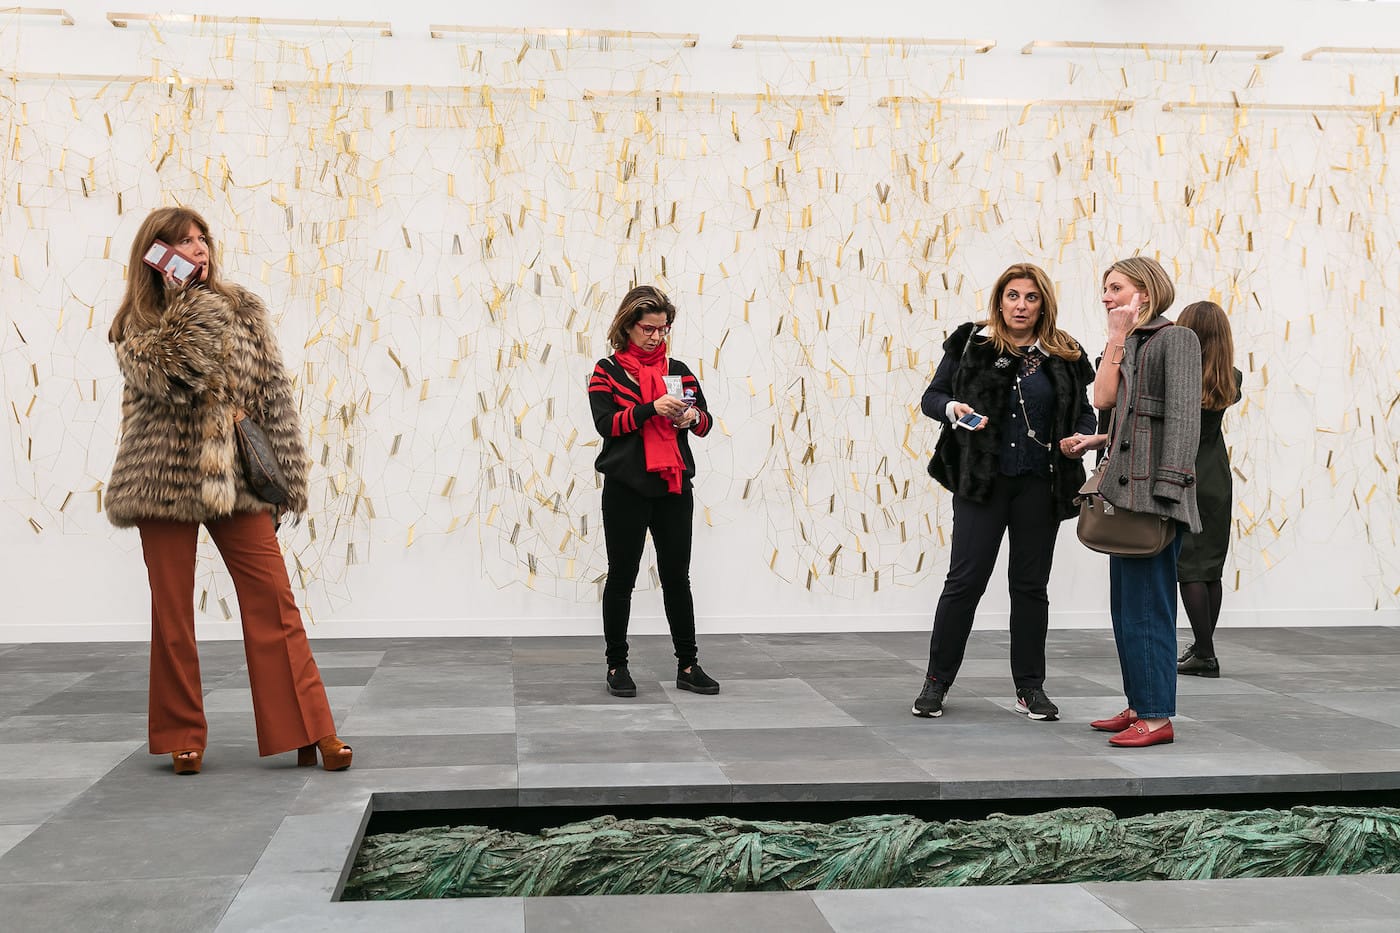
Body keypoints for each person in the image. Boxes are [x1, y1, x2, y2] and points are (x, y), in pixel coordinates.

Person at [106, 206, 351, 775]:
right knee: (173, 613)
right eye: (183, 242)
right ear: (156, 254)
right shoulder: (136, 322)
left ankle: (314, 728)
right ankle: (181, 734)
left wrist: (286, 477)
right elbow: (177, 372)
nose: (198, 249)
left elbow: (271, 394)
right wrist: (185, 300)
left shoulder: (242, 309)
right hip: (160, 477)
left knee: (274, 600)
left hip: (234, 474)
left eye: (202, 240)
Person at [914, 263, 1097, 721]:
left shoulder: (1066, 354)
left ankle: (1030, 688)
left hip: (1040, 485)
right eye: (1013, 296)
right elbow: (931, 397)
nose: (1021, 305)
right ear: (999, 300)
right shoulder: (971, 344)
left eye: (1031, 298)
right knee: (964, 583)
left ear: (1043, 305)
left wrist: (1079, 438)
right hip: (982, 485)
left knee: (1031, 588)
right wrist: (952, 408)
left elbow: (1084, 415)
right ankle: (936, 683)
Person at [1062, 257, 1201, 748]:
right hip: (1122, 494)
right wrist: (1116, 337)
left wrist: (1168, 488)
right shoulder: (1126, 341)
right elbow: (1104, 401)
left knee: (1149, 608)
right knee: (1126, 608)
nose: (1105, 296)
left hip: (1155, 496)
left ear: (1145, 290)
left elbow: (1184, 420)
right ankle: (1140, 703)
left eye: (1115, 288)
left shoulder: (1177, 339)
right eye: (1104, 289)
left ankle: (1158, 716)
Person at [588, 285, 719, 698]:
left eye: (663, 329)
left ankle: (688, 663)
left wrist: (691, 416)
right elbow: (607, 425)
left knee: (677, 577)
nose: (657, 337)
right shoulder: (606, 371)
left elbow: (706, 421)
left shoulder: (677, 371)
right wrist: (651, 409)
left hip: (673, 485)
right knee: (622, 578)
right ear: (627, 326)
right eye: (649, 328)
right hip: (626, 488)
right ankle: (617, 665)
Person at [1174, 301, 1242, 678]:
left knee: (1189, 568)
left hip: (1186, 474)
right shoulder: (1231, 377)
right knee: (1209, 567)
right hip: (1217, 476)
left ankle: (1205, 652)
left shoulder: (1180, 378)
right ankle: (1202, 647)